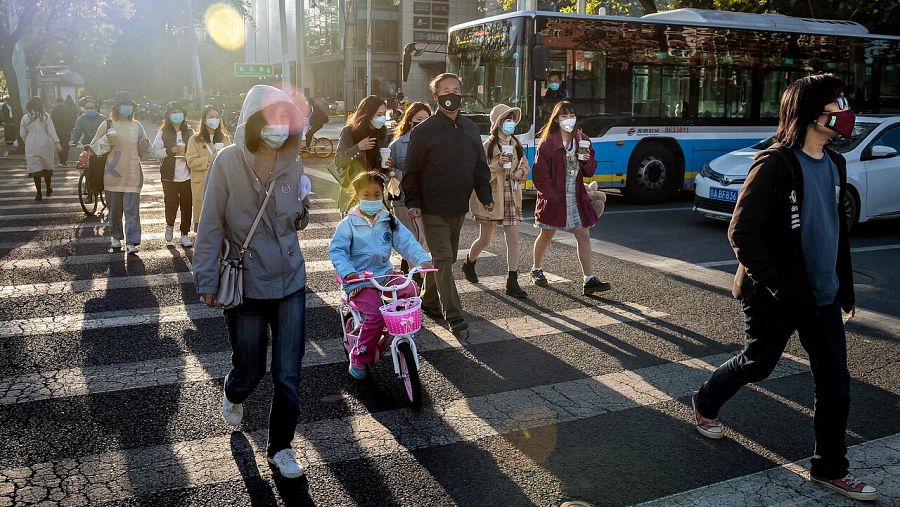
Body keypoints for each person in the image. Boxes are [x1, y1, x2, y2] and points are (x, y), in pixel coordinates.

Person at [691, 74, 879, 502]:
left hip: (822, 296)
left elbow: (833, 233)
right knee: (758, 363)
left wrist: (842, 289)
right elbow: (741, 232)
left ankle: (830, 468)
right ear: (815, 114)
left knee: (835, 383)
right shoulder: (774, 163)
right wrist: (778, 286)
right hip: (775, 295)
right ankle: (705, 402)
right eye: (838, 104)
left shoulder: (836, 163)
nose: (846, 112)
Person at [193, 84, 310, 479]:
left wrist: (301, 213)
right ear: (254, 120)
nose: (279, 125)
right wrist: (206, 277)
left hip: (290, 278)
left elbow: (293, 214)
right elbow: (210, 224)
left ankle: (281, 448)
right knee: (250, 367)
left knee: (288, 374)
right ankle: (233, 391)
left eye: (286, 118)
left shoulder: (292, 160)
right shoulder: (227, 161)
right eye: (272, 117)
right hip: (246, 281)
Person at [402, 73, 493, 335]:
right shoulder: (424, 131)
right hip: (431, 207)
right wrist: (413, 201)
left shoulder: (470, 128)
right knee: (443, 257)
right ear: (436, 96)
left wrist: (485, 196)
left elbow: (480, 167)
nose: (451, 94)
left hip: (458, 206)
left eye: (455, 89)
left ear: (461, 94)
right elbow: (411, 170)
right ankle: (453, 314)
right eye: (445, 90)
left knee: (447, 258)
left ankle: (428, 300)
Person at [329, 171, 432, 379]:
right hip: (359, 279)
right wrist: (348, 272)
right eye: (366, 195)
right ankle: (359, 355)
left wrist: (422, 259)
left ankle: (395, 332)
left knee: (410, 289)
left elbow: (406, 242)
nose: (372, 199)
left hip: (384, 275)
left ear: (383, 195)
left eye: (377, 195)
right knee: (375, 315)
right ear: (357, 195)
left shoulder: (389, 220)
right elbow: (337, 251)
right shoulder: (348, 224)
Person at [531, 100, 610, 296]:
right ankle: (536, 269)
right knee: (546, 235)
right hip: (555, 199)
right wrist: (550, 196)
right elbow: (540, 174)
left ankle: (588, 279)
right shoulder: (549, 142)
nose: (568, 119)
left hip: (576, 197)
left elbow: (591, 170)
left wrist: (586, 160)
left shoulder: (582, 140)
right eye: (564, 116)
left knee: (583, 235)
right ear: (556, 120)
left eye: (571, 115)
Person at [462, 104, 529, 298]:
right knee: (485, 239)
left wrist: (520, 172)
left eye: (512, 119)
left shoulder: (516, 144)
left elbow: (525, 165)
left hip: (512, 196)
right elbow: (480, 175)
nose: (511, 123)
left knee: (514, 239)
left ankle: (512, 280)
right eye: (507, 119)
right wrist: (498, 165)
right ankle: (469, 262)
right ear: (498, 122)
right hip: (493, 198)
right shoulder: (488, 146)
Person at [90, 91, 152, 254]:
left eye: (130, 105)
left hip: (133, 175)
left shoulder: (137, 125)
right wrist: (105, 141)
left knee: (132, 211)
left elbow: (143, 152)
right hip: (113, 175)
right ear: (117, 107)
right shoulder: (107, 124)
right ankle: (116, 237)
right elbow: (95, 147)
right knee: (115, 210)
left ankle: (132, 242)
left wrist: (145, 145)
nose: (128, 108)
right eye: (125, 105)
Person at [387, 101, 431, 256]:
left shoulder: (433, 143)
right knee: (413, 236)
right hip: (402, 197)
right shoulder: (397, 144)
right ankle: (416, 275)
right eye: (419, 119)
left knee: (421, 237)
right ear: (410, 120)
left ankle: (409, 266)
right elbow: (388, 172)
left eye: (426, 119)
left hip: (425, 196)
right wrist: (401, 174)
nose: (422, 123)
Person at [335, 95, 389, 212]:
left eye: (384, 114)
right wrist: (359, 147)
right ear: (368, 114)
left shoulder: (382, 133)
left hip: (375, 190)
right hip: (353, 189)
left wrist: (387, 165)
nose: (383, 118)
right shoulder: (349, 131)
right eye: (379, 115)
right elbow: (339, 161)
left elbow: (380, 164)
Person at [152, 102, 195, 247]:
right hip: (169, 177)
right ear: (169, 116)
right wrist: (171, 151)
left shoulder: (190, 132)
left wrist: (187, 156)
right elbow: (155, 152)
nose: (177, 115)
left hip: (187, 176)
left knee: (187, 205)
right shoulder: (163, 133)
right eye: (174, 113)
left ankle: (184, 234)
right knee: (171, 204)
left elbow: (196, 152)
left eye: (179, 112)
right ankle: (169, 225)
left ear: (183, 115)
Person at [185, 105, 231, 233]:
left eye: (217, 117)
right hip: (202, 183)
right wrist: (209, 159)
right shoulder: (195, 139)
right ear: (204, 120)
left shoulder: (225, 138)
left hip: (221, 184)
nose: (215, 119)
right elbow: (191, 161)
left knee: (221, 216)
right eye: (211, 117)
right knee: (203, 219)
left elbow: (231, 160)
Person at [20, 97, 61, 201]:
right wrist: (57, 143)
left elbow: (22, 133)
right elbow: (52, 131)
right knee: (47, 167)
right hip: (45, 144)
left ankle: (38, 193)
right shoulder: (46, 116)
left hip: (31, 144)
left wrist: (28, 140)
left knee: (35, 169)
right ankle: (48, 189)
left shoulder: (25, 117)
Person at [51, 96, 77, 167]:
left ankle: (61, 160)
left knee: (59, 146)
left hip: (57, 131)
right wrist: (71, 128)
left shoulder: (54, 111)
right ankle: (64, 161)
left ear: (56, 102)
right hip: (67, 131)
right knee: (66, 146)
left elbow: (52, 122)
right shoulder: (68, 110)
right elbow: (72, 120)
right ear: (62, 102)